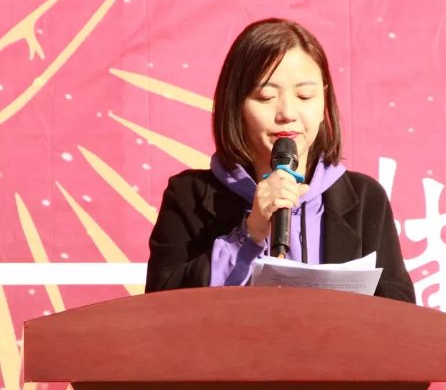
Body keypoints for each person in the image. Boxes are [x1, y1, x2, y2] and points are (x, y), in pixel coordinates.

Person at [145, 18, 416, 303]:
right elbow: (161, 305)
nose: (287, 113)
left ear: (323, 101)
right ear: (235, 105)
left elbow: (401, 312)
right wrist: (249, 233)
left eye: (304, 96)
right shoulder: (189, 196)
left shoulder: (363, 198)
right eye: (266, 97)